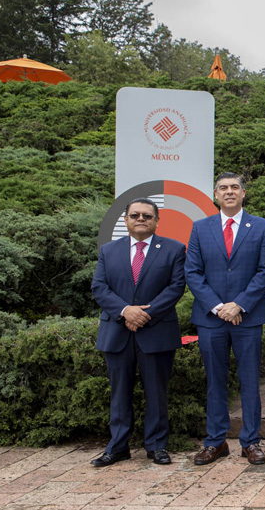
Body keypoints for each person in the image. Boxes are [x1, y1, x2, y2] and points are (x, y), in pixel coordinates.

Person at [186, 173, 265, 465]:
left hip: (247, 318)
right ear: (215, 195)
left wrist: (238, 305)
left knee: (249, 380)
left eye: (234, 187)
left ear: (243, 193)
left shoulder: (261, 227)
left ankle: (250, 441)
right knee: (215, 380)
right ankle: (215, 442)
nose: (229, 192)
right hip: (211, 319)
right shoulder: (200, 228)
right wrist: (217, 306)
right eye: (223, 188)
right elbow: (193, 273)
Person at [90, 198, 186, 467]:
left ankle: (157, 446)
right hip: (118, 332)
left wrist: (144, 315)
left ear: (156, 221)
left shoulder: (174, 249)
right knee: (119, 393)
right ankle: (118, 446)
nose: (140, 219)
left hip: (156, 332)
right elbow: (99, 288)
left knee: (156, 392)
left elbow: (176, 287)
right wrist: (125, 311)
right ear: (126, 220)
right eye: (135, 215)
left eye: (147, 215)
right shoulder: (109, 251)